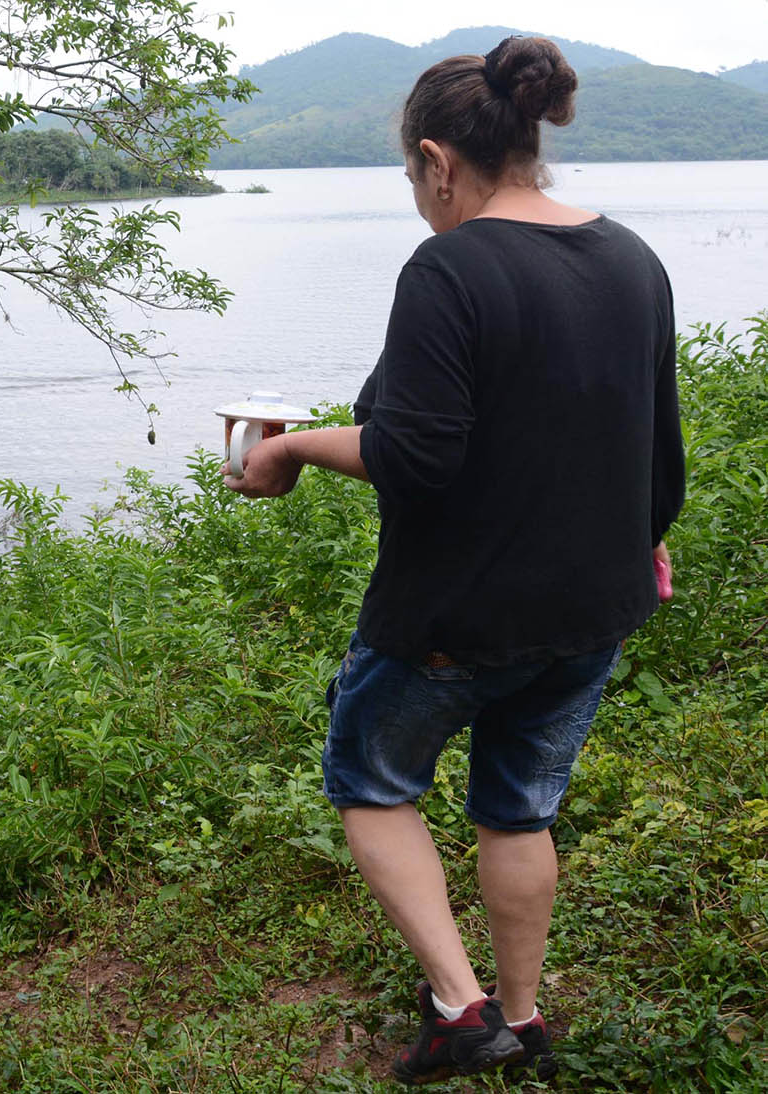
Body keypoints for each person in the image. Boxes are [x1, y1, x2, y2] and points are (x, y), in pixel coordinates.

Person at [224, 35, 684, 1086]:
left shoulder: (450, 264)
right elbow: (659, 454)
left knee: (370, 780)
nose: (417, 198)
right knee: (517, 808)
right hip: (589, 612)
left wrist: (288, 449)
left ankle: (459, 1009)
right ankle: (522, 1020)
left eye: (409, 176)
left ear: (436, 161)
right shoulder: (631, 258)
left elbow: (413, 455)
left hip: (451, 618)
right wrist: (635, 539)